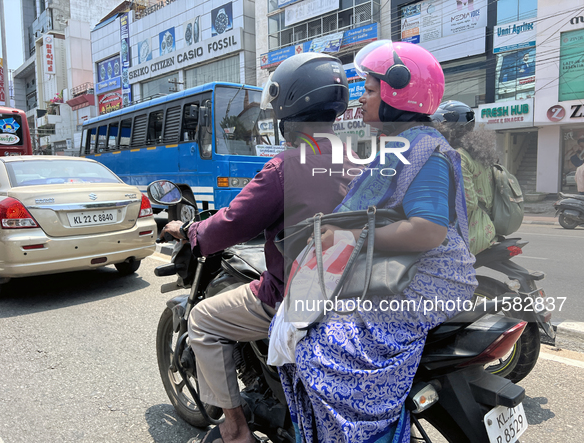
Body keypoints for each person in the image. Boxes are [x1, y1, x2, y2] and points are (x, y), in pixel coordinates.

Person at [277, 40, 478, 442]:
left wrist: (352, 235)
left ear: (397, 92)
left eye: (369, 91)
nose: (361, 101)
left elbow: (427, 231)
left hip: (426, 283)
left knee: (318, 353)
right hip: (403, 272)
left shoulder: (427, 151)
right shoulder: (404, 144)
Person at [160, 52, 358, 443]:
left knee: (202, 320)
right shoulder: (358, 158)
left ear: (288, 111)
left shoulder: (285, 167)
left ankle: (234, 430)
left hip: (295, 297)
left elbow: (227, 226)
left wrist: (189, 230)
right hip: (353, 294)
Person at [432, 100, 497, 255]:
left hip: (470, 231)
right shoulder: (477, 153)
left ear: (450, 128)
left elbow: (468, 203)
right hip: (486, 225)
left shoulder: (459, 156)